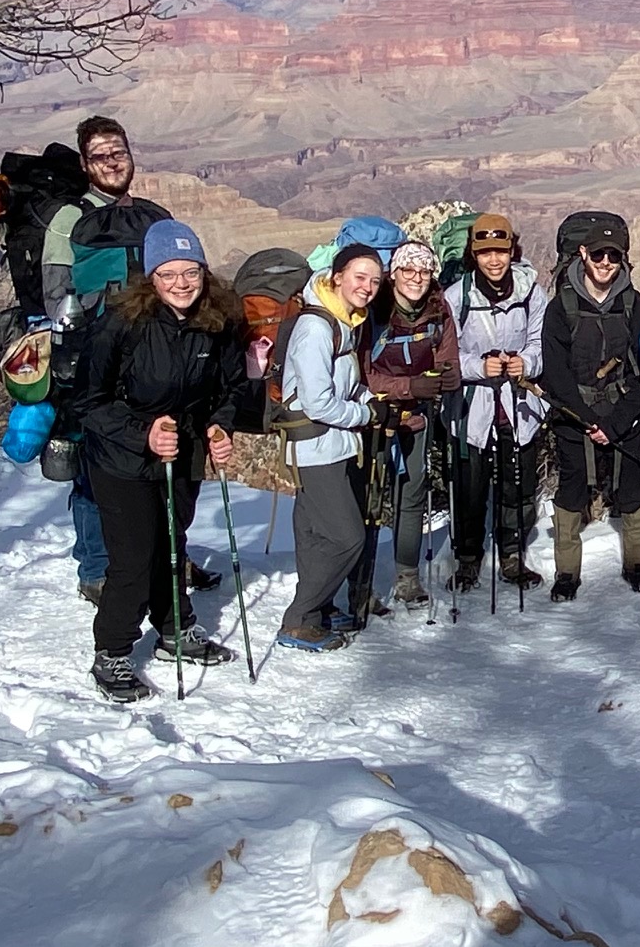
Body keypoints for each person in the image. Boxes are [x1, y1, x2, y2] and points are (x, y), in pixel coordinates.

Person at [37, 117, 216, 605]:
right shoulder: (69, 219)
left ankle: (167, 556)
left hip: (155, 361)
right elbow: (55, 293)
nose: (112, 163)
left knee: (165, 463)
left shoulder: (154, 215)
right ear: (84, 164)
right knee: (96, 466)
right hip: (96, 360)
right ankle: (97, 568)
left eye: (119, 152)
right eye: (100, 155)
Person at [73, 220, 245, 703]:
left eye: (190, 272)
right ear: (151, 277)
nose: (181, 284)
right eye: (168, 274)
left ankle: (175, 630)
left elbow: (231, 387)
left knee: (173, 543)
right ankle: (112, 651)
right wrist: (141, 433)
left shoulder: (218, 321)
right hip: (121, 458)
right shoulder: (120, 324)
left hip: (184, 448)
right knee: (133, 557)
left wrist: (219, 427)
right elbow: (88, 402)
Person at [274, 244, 393, 651]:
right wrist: (366, 416)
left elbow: (346, 383)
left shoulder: (344, 321)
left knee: (312, 534)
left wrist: (368, 400)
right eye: (360, 277)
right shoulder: (316, 328)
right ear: (337, 276)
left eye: (375, 281)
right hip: (315, 448)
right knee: (347, 538)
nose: (368, 287)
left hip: (331, 445)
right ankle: (298, 618)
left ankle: (317, 610)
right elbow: (318, 402)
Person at [540, 215, 640, 600]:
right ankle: (567, 573)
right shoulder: (562, 307)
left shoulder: (633, 304)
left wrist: (618, 421)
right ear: (583, 254)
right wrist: (589, 420)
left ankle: (637, 565)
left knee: (632, 487)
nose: (606, 262)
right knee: (573, 489)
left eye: (614, 255)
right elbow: (555, 372)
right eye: (599, 254)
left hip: (625, 412)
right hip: (575, 415)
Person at [448, 213, 549, 591]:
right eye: (485, 251)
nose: (494, 260)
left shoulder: (530, 293)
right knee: (470, 487)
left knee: (517, 485)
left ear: (512, 252)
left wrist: (528, 362)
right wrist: (479, 366)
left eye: (501, 251)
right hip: (473, 407)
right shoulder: (456, 297)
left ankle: (511, 555)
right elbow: (446, 355)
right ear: (473, 255)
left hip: (517, 405)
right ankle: (468, 560)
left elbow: (540, 342)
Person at [363, 240, 461, 610]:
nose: (417, 279)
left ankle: (407, 576)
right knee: (369, 499)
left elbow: (447, 356)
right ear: (394, 273)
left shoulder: (438, 309)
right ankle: (362, 582)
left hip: (416, 418)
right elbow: (363, 374)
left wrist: (448, 377)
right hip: (373, 419)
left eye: (424, 271)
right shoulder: (374, 312)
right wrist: (407, 386)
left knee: (412, 494)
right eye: (408, 270)